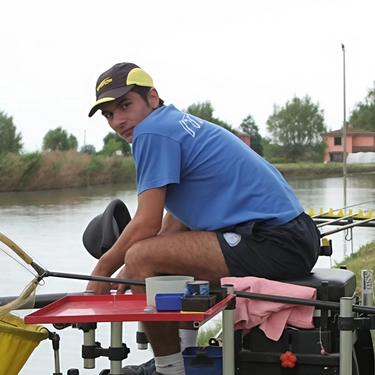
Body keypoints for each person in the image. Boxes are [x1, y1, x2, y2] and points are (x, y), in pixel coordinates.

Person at [86, 62, 321, 375]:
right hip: (293, 235)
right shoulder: (174, 123)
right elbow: (173, 222)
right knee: (153, 258)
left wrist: (103, 272)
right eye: (109, 114)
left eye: (125, 105)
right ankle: (183, 356)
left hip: (274, 240)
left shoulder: (151, 131)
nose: (118, 121)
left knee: (141, 255)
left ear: (152, 98)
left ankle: (168, 369)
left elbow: (146, 223)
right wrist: (133, 271)